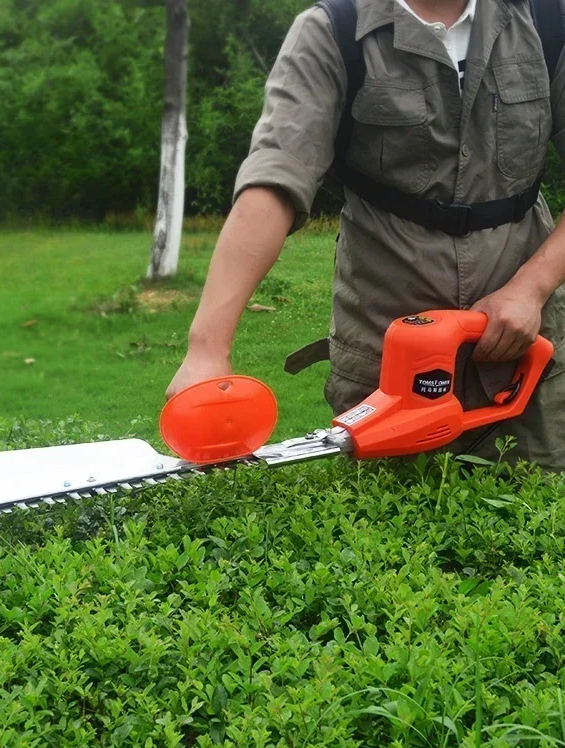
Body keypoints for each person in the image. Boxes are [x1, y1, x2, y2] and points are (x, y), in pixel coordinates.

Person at [166, 0, 565, 470]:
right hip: (386, 348)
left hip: (528, 350)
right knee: (386, 521)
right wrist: (208, 347)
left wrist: (531, 288)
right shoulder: (333, 30)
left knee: (538, 513)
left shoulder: (547, 20)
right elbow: (275, 181)